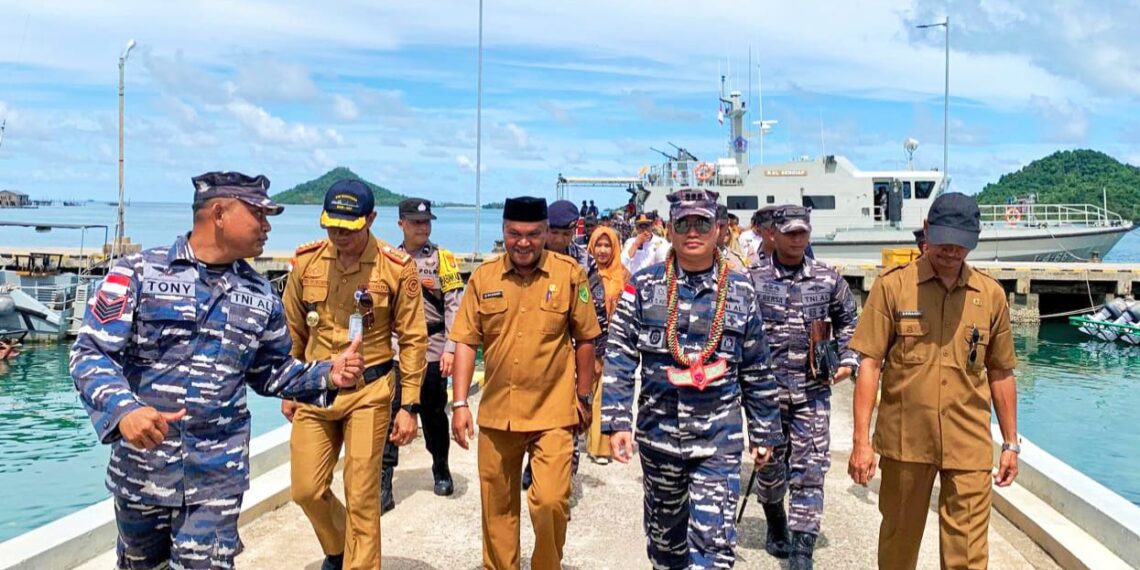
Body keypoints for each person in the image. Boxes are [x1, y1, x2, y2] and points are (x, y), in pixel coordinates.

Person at [71, 171, 365, 570]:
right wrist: (124, 411)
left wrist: (329, 374)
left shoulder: (260, 294)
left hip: (217, 475)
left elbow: (271, 372)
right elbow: (90, 353)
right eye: (259, 214)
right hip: (143, 471)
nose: (267, 225)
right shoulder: (138, 273)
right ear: (219, 213)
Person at [602, 188, 782, 569]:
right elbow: (619, 353)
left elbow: (757, 366)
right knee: (664, 546)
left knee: (714, 548)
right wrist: (617, 421)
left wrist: (765, 432)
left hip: (718, 440)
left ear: (718, 228)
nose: (693, 231)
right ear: (671, 228)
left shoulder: (741, 288)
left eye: (702, 222)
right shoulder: (643, 286)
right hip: (659, 438)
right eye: (683, 223)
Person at [848, 193, 1019, 570]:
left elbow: (1001, 371)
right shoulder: (893, 287)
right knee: (898, 544)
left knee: (969, 555)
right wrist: (861, 442)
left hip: (969, 441)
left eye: (962, 242)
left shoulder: (990, 296)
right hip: (905, 441)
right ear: (926, 230)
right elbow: (870, 364)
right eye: (943, 239)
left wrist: (1010, 443)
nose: (952, 250)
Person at [281, 179, 428, 570]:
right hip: (315, 389)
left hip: (370, 392)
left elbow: (413, 340)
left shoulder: (396, 267)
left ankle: (360, 563)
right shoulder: (307, 262)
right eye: (331, 225)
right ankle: (341, 546)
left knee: (362, 492)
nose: (339, 234)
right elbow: (291, 330)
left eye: (349, 227)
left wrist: (409, 405)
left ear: (371, 219)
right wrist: (289, 387)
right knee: (306, 489)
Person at [449, 196, 602, 570]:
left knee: (550, 501)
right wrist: (459, 404)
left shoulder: (569, 275)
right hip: (499, 413)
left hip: (553, 411)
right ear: (503, 231)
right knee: (497, 509)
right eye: (514, 233)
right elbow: (467, 342)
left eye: (533, 234)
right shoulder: (483, 278)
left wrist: (584, 396)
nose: (523, 242)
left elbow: (586, 339)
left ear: (546, 233)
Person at [748, 205, 860, 569]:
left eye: (803, 233)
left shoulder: (828, 279)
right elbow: (737, 331)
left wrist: (847, 359)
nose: (797, 239)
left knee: (811, 467)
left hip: (812, 391)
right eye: (790, 232)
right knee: (769, 466)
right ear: (772, 234)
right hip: (766, 394)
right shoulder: (753, 280)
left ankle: (802, 549)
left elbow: (849, 320)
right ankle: (775, 520)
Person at [377, 197, 465, 506]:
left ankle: (440, 464)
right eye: (416, 222)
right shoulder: (386, 259)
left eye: (426, 222)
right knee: (390, 414)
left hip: (431, 347)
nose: (422, 228)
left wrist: (452, 349)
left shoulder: (443, 259)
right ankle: (384, 481)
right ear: (401, 224)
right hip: (396, 350)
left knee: (433, 413)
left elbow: (455, 305)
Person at [527, 199, 608, 484]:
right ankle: (533, 462)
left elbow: (596, 313)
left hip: (571, 349)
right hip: (535, 348)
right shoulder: (530, 256)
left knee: (569, 413)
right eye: (555, 233)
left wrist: (598, 355)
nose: (560, 239)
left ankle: (563, 478)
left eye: (566, 233)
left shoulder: (584, 263)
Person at [584, 225, 630, 464]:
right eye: (598, 245)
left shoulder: (625, 275)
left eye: (607, 245)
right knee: (584, 390)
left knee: (603, 394)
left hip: (615, 343)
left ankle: (600, 446)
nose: (602, 251)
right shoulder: (585, 274)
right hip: (587, 342)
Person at [716, 204, 750, 273]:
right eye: (713, 226)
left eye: (721, 226)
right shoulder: (693, 258)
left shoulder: (737, 259)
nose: (718, 230)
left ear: (728, 225)